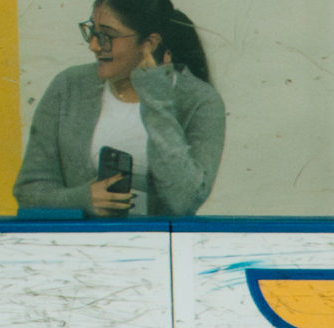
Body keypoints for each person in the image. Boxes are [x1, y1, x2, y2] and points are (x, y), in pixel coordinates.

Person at [14, 1, 225, 218]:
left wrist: (156, 101)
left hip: (159, 246)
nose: (94, 46)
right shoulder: (68, 86)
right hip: (80, 245)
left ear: (150, 43)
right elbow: (28, 192)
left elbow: (184, 202)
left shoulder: (201, 101)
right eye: (92, 32)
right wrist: (82, 199)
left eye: (107, 36)